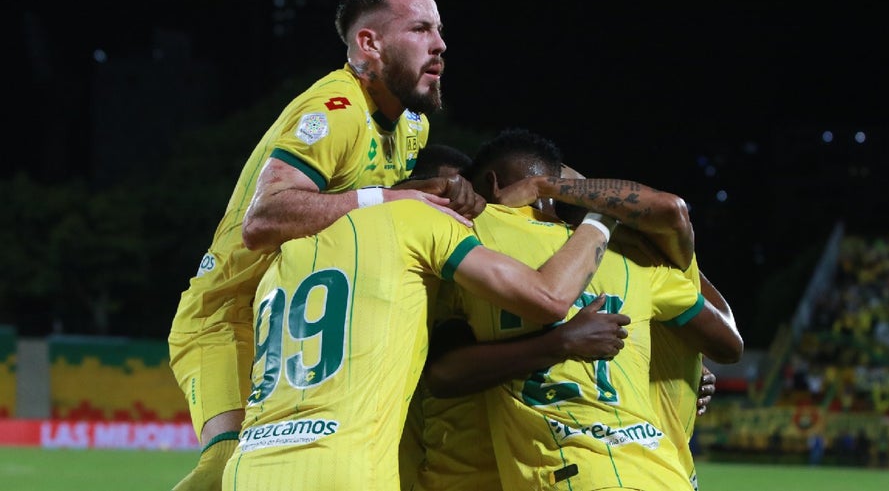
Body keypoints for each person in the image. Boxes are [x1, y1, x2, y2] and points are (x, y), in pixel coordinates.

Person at [167, 0, 483, 490]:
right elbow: (263, 219)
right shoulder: (334, 110)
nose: (440, 44)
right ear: (369, 44)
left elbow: (363, 209)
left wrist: (428, 188)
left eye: (439, 29)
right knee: (226, 469)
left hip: (303, 317)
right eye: (420, 29)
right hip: (229, 316)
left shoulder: (412, 124)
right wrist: (397, 197)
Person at [418, 129, 742, 490]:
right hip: (663, 473)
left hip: (569, 474)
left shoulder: (467, 236)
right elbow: (729, 344)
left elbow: (445, 374)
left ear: (490, 185)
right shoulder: (627, 252)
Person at [220, 195, 615, 490]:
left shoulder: (279, 259)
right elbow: (549, 297)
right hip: (343, 466)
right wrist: (604, 215)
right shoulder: (414, 219)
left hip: (248, 468)